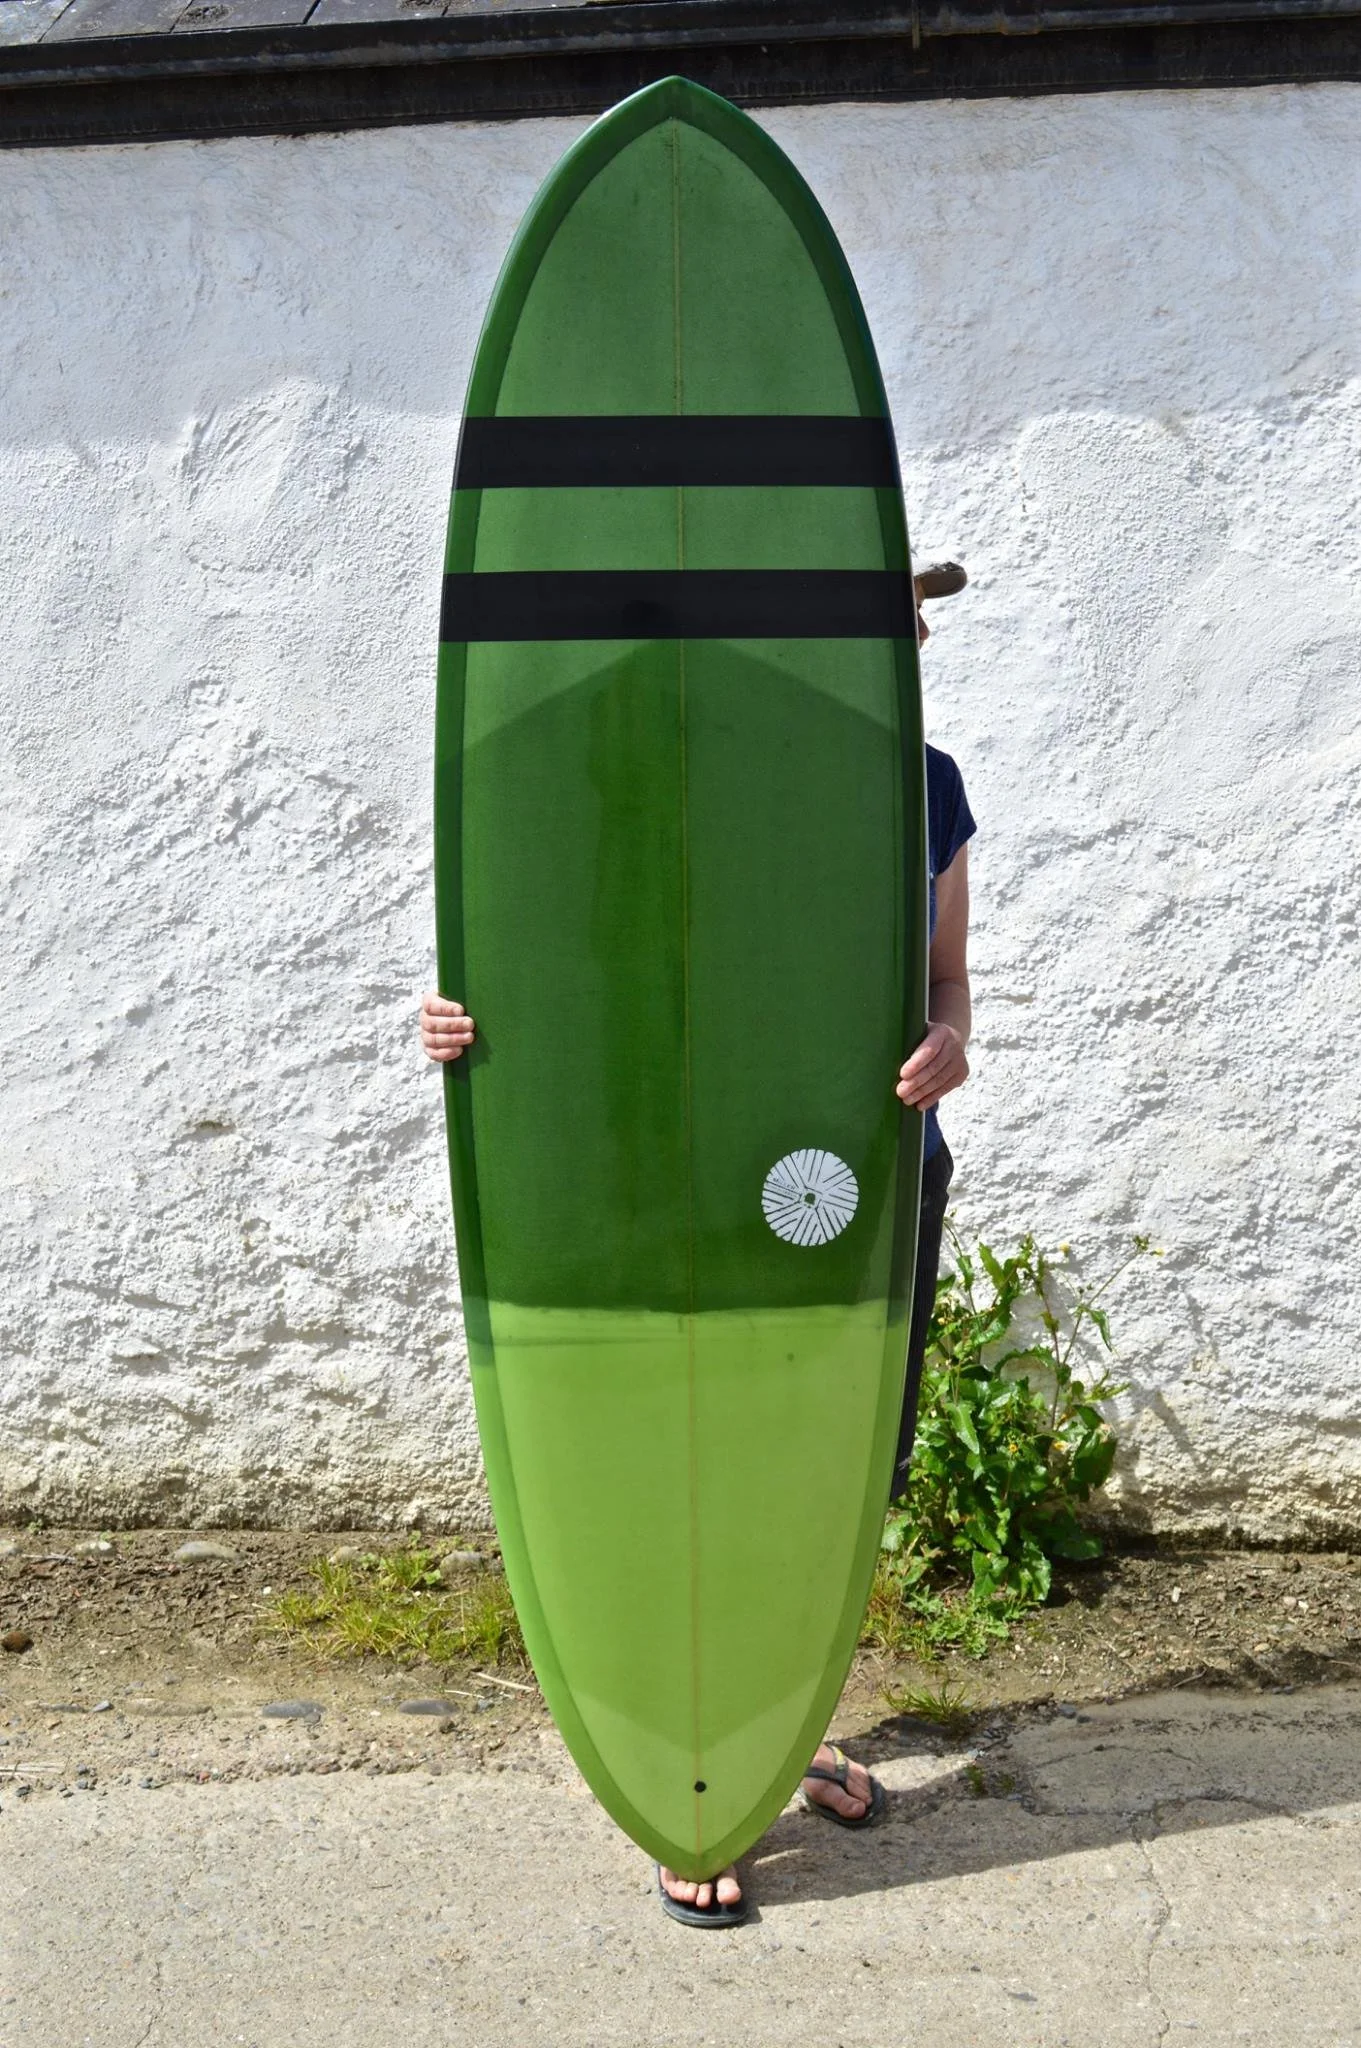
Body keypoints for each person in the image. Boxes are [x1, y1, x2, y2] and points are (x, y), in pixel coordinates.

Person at [420, 566, 975, 1927]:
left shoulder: (930, 781)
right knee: (686, 1443)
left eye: (902, 625)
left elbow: (945, 971)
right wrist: (463, 1021)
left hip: (866, 1179)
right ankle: (693, 1783)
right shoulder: (685, 767)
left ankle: (781, 1738)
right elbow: (566, 938)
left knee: (827, 1462)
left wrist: (953, 1041)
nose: (893, 647)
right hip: (680, 1185)